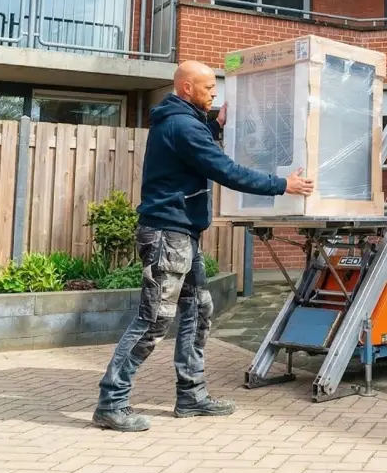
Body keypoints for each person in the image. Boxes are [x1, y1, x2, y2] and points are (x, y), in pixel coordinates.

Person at [94, 60, 315, 431]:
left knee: (199, 310)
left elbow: (196, 147)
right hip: (168, 234)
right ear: (186, 89)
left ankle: (191, 396)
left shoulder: (184, 122)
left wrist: (216, 124)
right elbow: (225, 170)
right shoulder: (181, 125)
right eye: (209, 87)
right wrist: (282, 185)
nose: (214, 93)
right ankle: (111, 402)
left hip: (182, 233)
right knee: (154, 320)